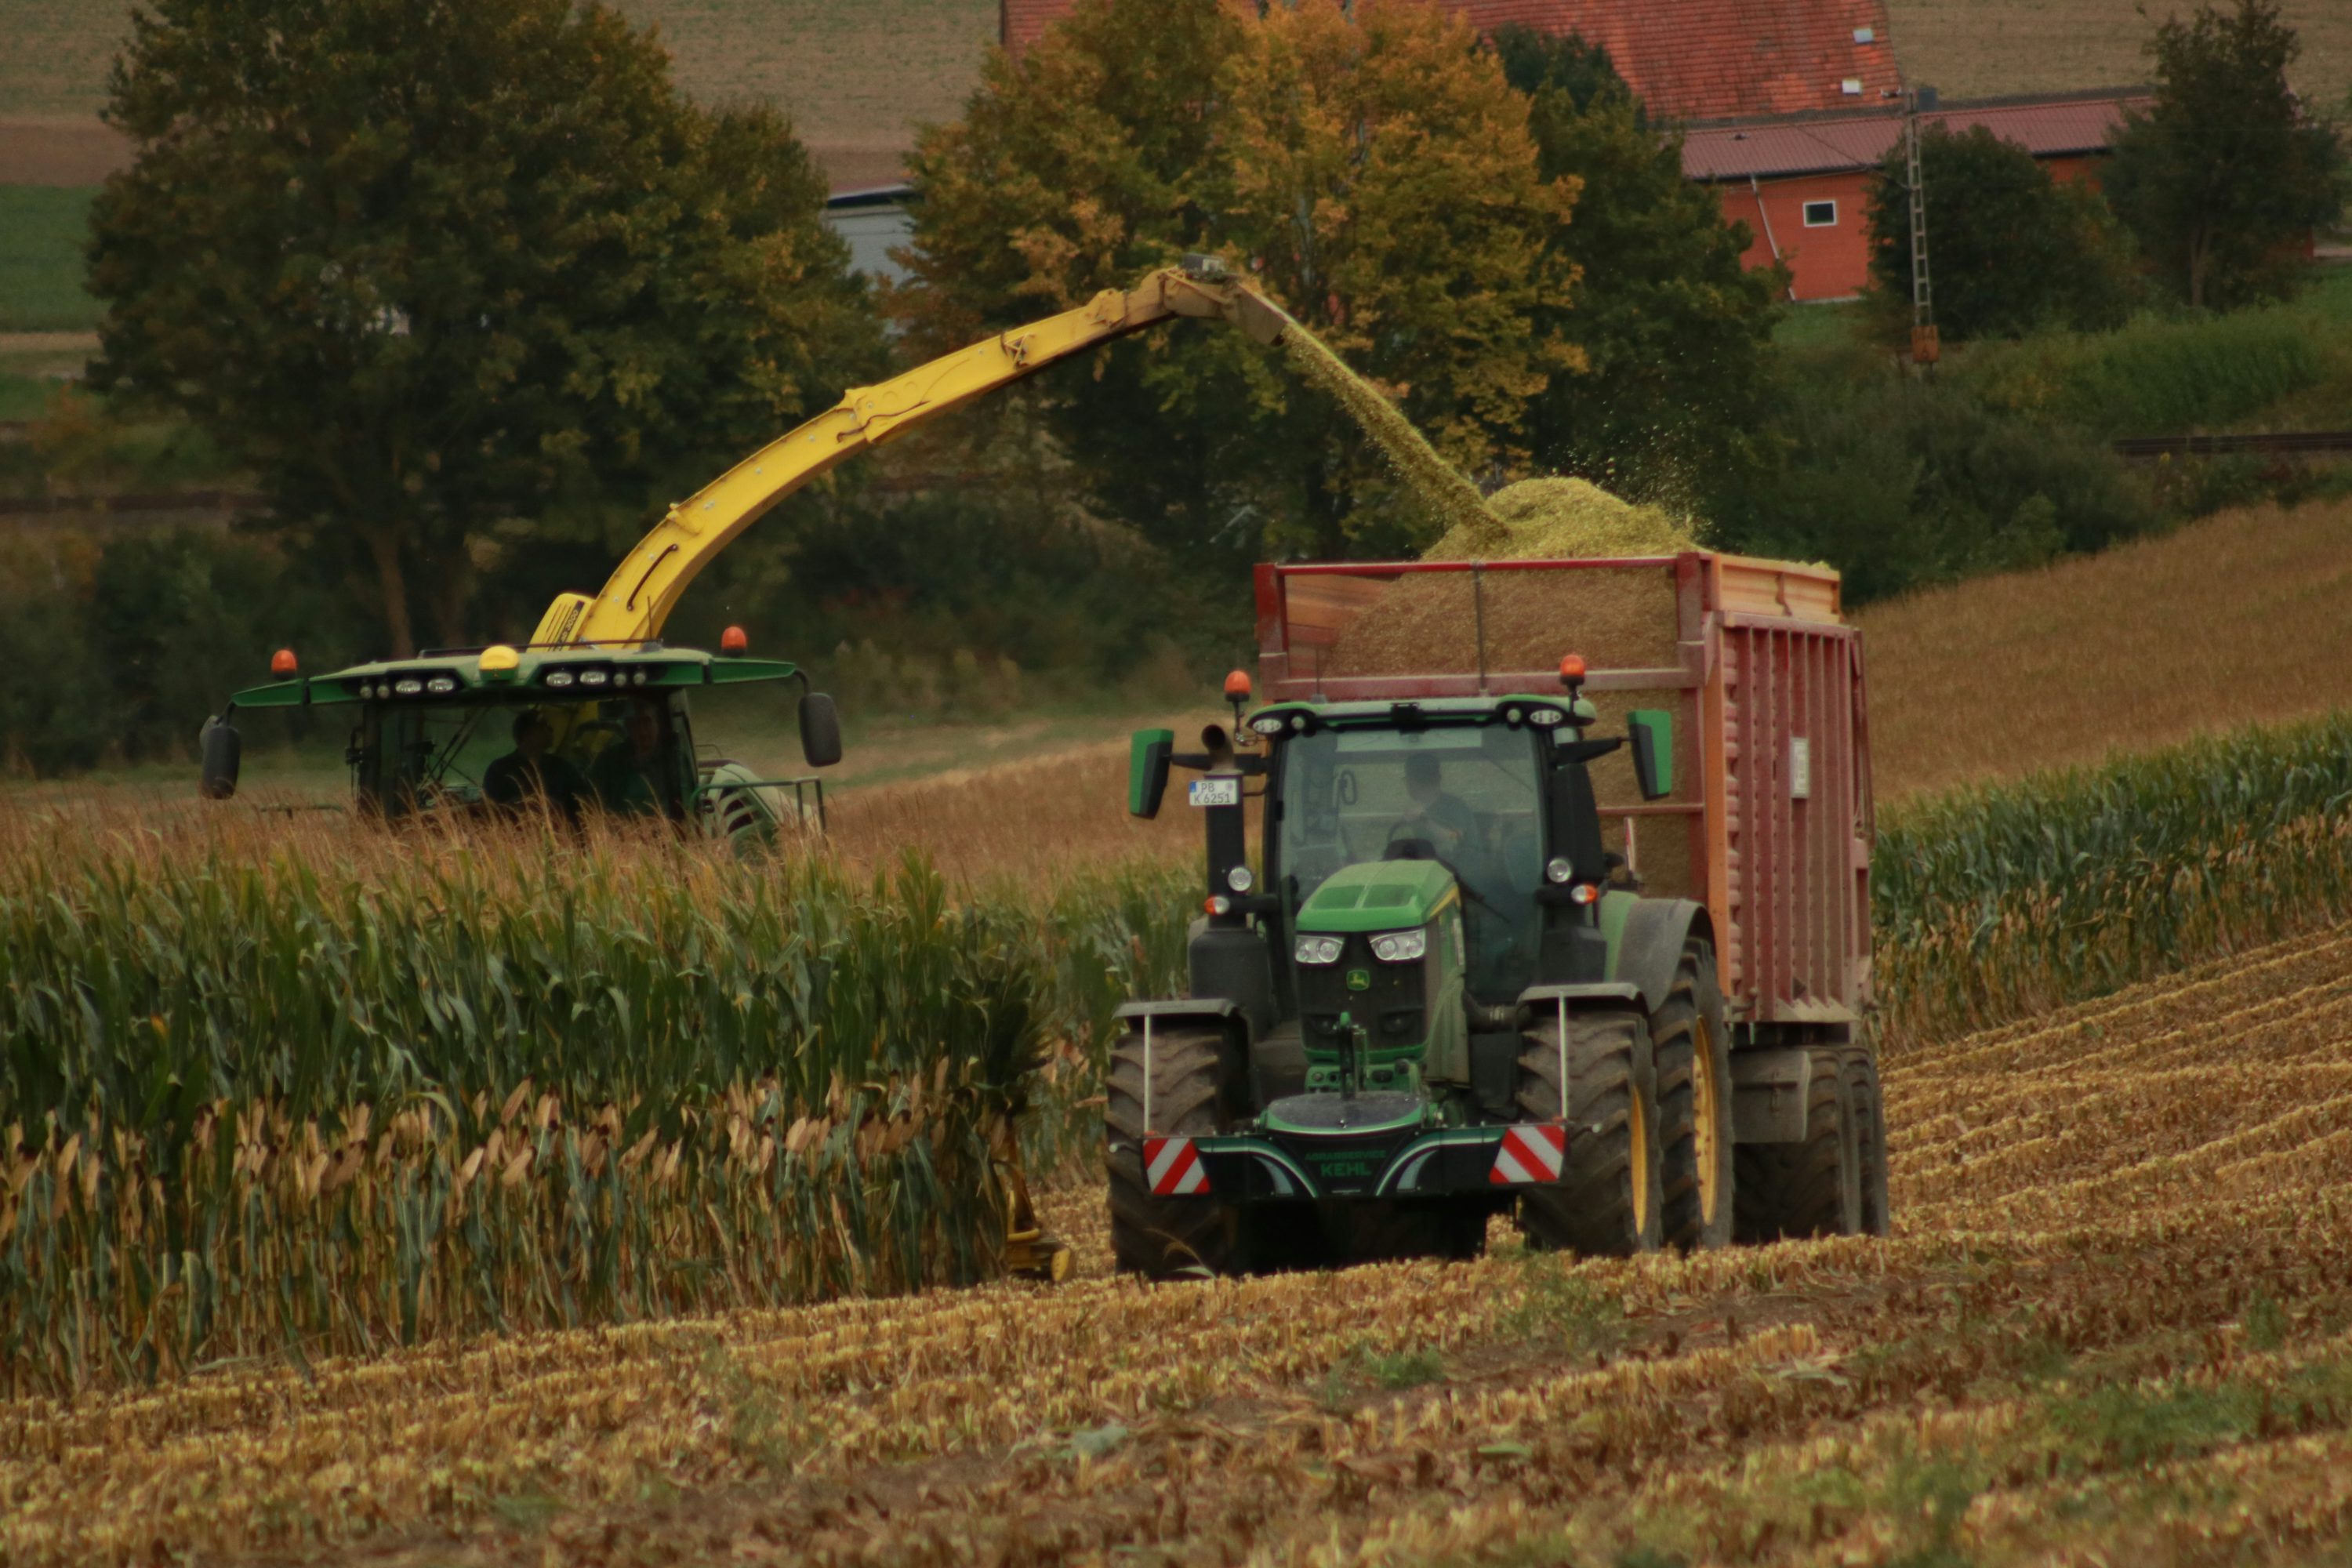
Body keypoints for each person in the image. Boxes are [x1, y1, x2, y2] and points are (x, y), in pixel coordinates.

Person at [482, 710, 589, 821]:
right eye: (544, 726)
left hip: (560, 834)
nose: (551, 729)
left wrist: (558, 809)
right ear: (528, 734)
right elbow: (491, 809)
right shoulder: (499, 769)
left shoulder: (562, 766)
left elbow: (582, 802)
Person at [589, 699, 681, 818]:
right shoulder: (608, 761)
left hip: (666, 831)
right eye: (636, 724)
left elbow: (686, 801)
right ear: (628, 727)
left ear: (659, 724)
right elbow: (592, 803)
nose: (642, 732)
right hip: (620, 832)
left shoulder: (674, 760)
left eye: (647, 722)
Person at [1393, 751, 1477, 855]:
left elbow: (1454, 838)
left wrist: (1426, 822)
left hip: (1458, 868)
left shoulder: (1455, 806)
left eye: (1421, 780)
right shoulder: (1417, 810)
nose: (1411, 785)